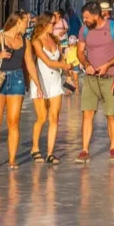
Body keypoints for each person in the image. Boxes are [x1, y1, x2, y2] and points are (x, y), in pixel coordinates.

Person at [0, 11, 39, 170]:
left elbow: (30, 64)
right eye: (26, 21)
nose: (28, 24)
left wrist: (37, 85)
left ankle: (12, 159)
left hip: (17, 79)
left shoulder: (25, 42)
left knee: (14, 122)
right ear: (18, 22)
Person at [77, 2, 114, 163]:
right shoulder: (84, 30)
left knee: (111, 114)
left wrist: (108, 65)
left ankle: (113, 148)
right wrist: (86, 65)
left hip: (109, 78)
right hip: (90, 79)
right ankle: (84, 150)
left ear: (96, 15)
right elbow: (79, 52)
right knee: (87, 114)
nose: (84, 20)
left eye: (87, 17)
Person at [29, 14, 73, 164]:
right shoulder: (36, 41)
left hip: (55, 81)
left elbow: (60, 59)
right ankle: (35, 148)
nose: (53, 27)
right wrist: (65, 66)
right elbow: (47, 62)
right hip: (40, 82)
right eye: (51, 24)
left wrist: (67, 73)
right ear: (44, 24)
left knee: (54, 118)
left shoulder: (55, 40)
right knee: (42, 117)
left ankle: (50, 153)